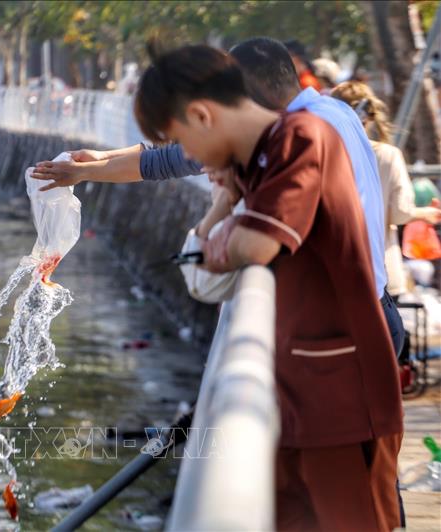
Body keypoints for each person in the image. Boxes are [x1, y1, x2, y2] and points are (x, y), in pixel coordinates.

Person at [134, 43, 403, 531]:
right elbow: (206, 270)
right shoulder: (255, 159)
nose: (189, 157)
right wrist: (223, 222)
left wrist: (224, 234)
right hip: (297, 396)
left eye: (180, 140)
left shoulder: (300, 137)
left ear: (201, 114)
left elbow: (255, 247)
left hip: (343, 398)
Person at [32, 37, 404, 358]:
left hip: (343, 335)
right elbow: (175, 157)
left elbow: (223, 263)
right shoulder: (330, 112)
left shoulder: (295, 137)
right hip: (368, 311)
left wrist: (217, 216)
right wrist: (96, 164)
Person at [331, 81, 441, 298]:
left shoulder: (324, 151)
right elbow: (400, 212)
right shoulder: (387, 155)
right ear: (369, 116)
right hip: (380, 268)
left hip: (336, 270)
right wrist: (428, 214)